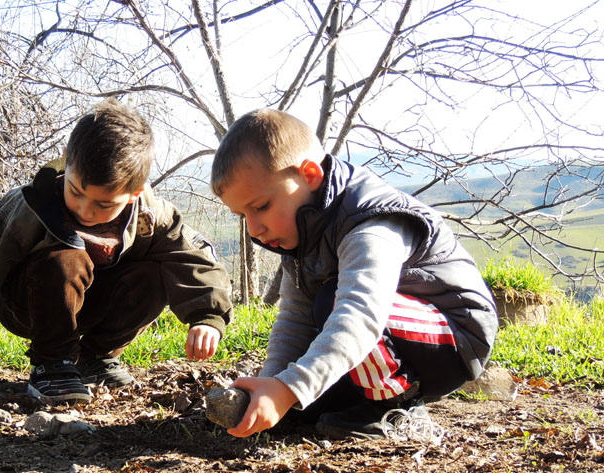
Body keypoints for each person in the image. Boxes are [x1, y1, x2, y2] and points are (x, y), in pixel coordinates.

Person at [210, 108, 497, 439]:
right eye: (242, 215)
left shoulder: (370, 223)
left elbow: (360, 315)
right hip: (382, 342)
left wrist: (290, 388)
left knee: (333, 302)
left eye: (260, 207)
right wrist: (274, 384)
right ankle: (363, 399)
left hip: (452, 337)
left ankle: (395, 408)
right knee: (306, 407)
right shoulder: (301, 230)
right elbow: (295, 318)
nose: (254, 229)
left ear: (310, 175)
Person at [0, 99, 232, 405]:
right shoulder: (28, 206)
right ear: (66, 159)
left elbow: (193, 257)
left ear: (133, 194)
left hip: (96, 304)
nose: (85, 210)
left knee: (154, 273)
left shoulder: (150, 216)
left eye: (104, 204)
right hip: (31, 305)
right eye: (75, 191)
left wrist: (207, 317)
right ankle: (51, 363)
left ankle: (96, 358)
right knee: (66, 259)